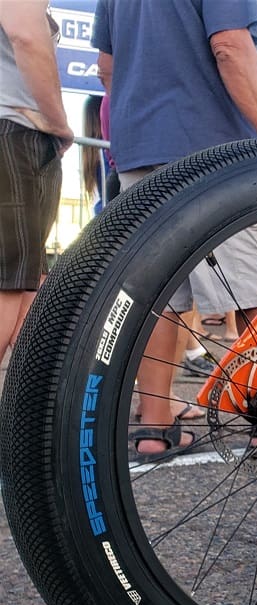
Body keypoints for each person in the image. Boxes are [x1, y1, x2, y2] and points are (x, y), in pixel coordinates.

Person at [93, 0, 257, 462]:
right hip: (216, 149)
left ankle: (154, 429)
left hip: (140, 151)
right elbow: (230, 45)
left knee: (160, 300)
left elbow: (106, 67)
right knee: (255, 290)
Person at [0, 2, 73, 366]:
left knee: (26, 283)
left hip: (22, 133)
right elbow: (26, 34)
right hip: (13, 130)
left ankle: (24, 416)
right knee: (9, 285)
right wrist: (58, 122)